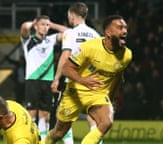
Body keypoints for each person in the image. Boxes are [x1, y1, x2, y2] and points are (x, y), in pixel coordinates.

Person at [45, 14, 133, 144]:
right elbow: (66, 68)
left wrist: (111, 97)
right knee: (58, 133)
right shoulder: (90, 47)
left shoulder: (126, 55)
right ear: (108, 32)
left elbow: (118, 77)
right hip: (75, 92)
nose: (125, 31)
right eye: (120, 27)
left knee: (106, 122)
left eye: (125, 28)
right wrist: (82, 80)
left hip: (97, 93)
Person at [50, 2, 100, 144]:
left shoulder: (70, 33)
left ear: (72, 15)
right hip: (91, 80)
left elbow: (66, 55)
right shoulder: (95, 34)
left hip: (73, 79)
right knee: (93, 116)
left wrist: (56, 78)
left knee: (63, 114)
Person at [20, 15, 67, 140]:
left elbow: (69, 33)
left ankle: (42, 141)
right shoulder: (28, 41)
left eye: (47, 25)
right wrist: (34, 22)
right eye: (43, 24)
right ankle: (29, 139)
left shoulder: (51, 40)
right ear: (36, 26)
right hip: (32, 80)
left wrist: (52, 25)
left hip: (48, 81)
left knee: (45, 114)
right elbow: (24, 27)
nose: (46, 27)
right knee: (31, 114)